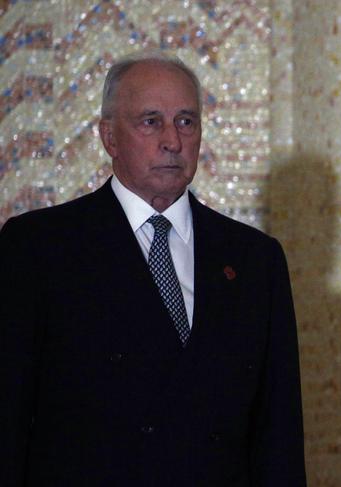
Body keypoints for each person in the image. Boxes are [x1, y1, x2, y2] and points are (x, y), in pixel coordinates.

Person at [0, 50, 306, 486]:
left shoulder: (255, 259)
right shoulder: (39, 247)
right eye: (150, 121)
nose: (172, 141)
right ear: (109, 137)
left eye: (186, 121)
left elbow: (279, 433)